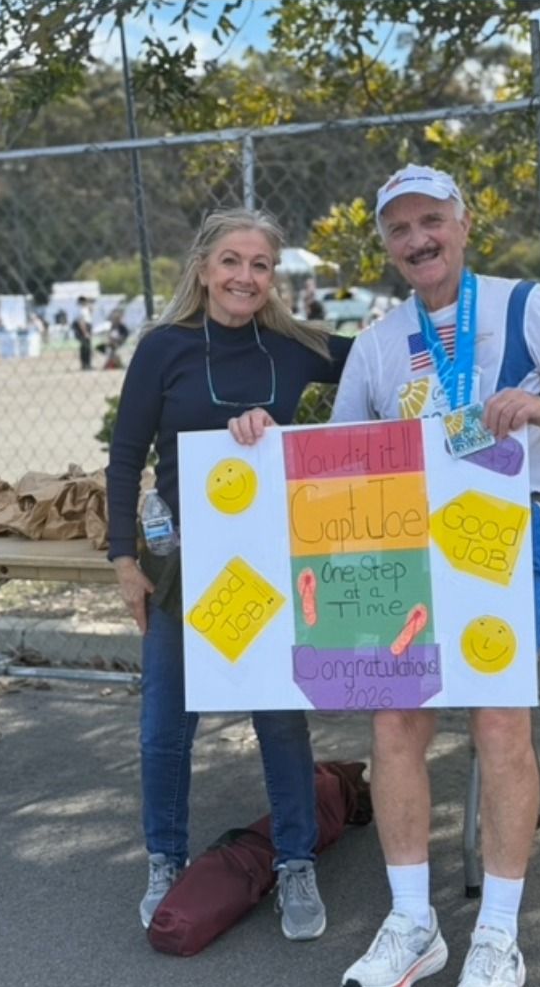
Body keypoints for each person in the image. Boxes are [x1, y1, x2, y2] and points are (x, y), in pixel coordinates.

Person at [327, 164, 540, 987]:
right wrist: (263, 443)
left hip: (502, 532)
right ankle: (412, 924)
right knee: (394, 722)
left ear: (462, 224)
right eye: (399, 229)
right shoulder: (380, 339)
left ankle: (497, 937)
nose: (418, 239)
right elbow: (343, 453)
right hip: (399, 540)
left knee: (499, 720)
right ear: (386, 245)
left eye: (432, 220)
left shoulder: (522, 303)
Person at [105, 208, 356, 941]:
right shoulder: (163, 348)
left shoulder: (296, 346)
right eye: (232, 262)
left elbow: (382, 366)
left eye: (261, 265)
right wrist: (125, 558)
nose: (246, 277)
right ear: (204, 268)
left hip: (270, 564)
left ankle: (296, 860)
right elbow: (125, 458)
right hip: (184, 564)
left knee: (279, 719)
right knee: (165, 725)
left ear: (273, 277)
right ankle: (165, 857)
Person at [74, 297, 96, 370]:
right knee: (85, 348)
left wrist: (90, 304)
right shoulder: (81, 310)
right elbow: (81, 322)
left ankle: (87, 364)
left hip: (87, 327)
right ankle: (85, 364)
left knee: (87, 347)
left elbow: (91, 311)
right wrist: (85, 332)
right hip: (84, 328)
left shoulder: (85, 309)